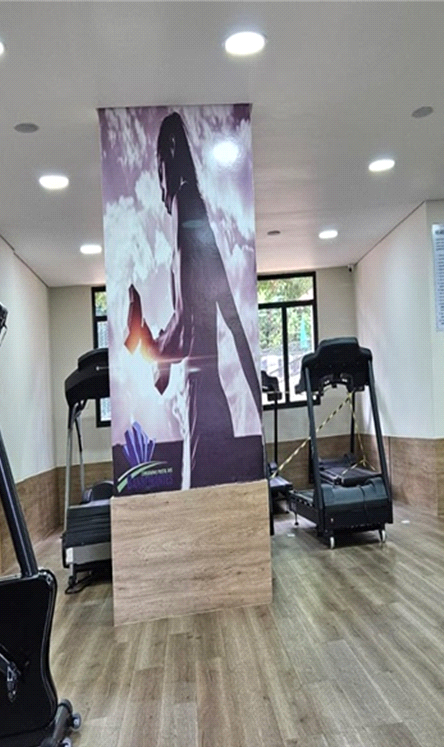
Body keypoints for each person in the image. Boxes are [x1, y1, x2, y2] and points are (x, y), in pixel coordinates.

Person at [125, 111, 260, 488]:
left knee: (200, 500)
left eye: (158, 166)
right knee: (210, 501)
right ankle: (145, 339)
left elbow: (187, 329)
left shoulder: (185, 203)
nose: (158, 181)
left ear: (169, 156)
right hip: (208, 397)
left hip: (202, 398)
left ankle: (144, 339)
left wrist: (153, 348)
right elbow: (229, 322)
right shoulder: (195, 212)